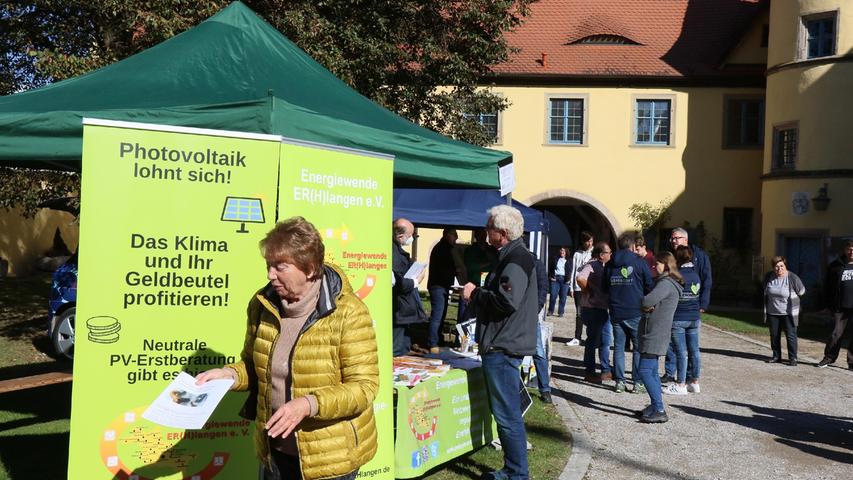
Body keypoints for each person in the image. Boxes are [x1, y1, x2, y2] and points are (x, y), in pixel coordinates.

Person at [196, 217, 378, 480]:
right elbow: (254, 365)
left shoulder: (349, 313)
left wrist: (308, 404)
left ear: (310, 268)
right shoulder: (263, 305)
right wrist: (229, 375)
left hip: (330, 459)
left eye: (280, 267)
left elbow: (364, 387)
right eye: (269, 266)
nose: (271, 275)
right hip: (275, 451)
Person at [462, 205, 538, 480]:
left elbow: (507, 301)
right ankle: (513, 470)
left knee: (507, 415)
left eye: (489, 228)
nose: (486, 232)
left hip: (503, 345)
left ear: (502, 233)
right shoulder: (513, 255)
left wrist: (476, 294)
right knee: (507, 413)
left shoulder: (515, 259)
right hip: (506, 341)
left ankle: (517, 474)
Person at [636, 251, 684, 423]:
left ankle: (659, 408)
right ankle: (655, 405)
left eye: (657, 264)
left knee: (644, 371)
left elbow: (645, 301)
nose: (654, 266)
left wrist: (647, 306)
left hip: (654, 333)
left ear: (666, 264)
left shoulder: (665, 284)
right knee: (652, 372)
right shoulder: (668, 283)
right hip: (658, 331)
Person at [604, 232, 654, 393]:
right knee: (638, 348)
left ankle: (619, 382)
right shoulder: (640, 263)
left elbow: (604, 286)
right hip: (636, 311)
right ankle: (637, 382)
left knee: (619, 347)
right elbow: (649, 285)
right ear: (633, 246)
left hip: (616, 310)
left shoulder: (611, 264)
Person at [662, 227, 712, 383]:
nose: (673, 241)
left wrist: (703, 303)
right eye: (672, 238)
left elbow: (707, 280)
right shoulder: (670, 255)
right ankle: (670, 372)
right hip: (674, 307)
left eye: (676, 238)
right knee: (671, 342)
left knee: (691, 346)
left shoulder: (700, 257)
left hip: (691, 307)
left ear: (686, 240)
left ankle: (690, 376)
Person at [663, 246, 703, 395]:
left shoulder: (677, 275)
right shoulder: (696, 275)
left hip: (679, 317)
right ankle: (694, 381)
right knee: (695, 351)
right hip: (694, 317)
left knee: (681, 352)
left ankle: (680, 384)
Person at [576, 241, 613, 383]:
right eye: (608, 252)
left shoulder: (606, 266)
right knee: (593, 341)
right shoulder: (592, 265)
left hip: (602, 309)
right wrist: (589, 290)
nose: (611, 254)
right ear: (601, 255)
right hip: (593, 309)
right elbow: (580, 278)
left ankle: (605, 370)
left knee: (605, 340)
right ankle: (590, 371)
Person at [391, 218, 427, 356]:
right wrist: (415, 281)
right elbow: (397, 282)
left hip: (403, 310)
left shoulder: (396, 250)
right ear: (400, 236)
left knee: (402, 347)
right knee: (397, 350)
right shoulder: (392, 253)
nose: (413, 238)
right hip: (399, 309)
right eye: (411, 235)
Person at [762, 255, 806, 367]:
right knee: (774, 335)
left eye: (781, 266)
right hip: (773, 312)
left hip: (788, 313)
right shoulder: (769, 277)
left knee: (791, 335)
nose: (779, 269)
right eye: (776, 267)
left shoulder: (792, 277)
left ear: (785, 266)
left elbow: (802, 291)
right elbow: (765, 291)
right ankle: (776, 356)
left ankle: (793, 358)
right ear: (773, 268)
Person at [817, 240, 853, 369]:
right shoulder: (835, 266)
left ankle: (852, 362)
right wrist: (827, 305)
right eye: (849, 248)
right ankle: (829, 358)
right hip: (840, 307)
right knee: (836, 334)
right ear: (845, 250)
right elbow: (827, 287)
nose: (852, 251)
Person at [427, 228, 459, 353]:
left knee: (441, 314)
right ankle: (432, 342)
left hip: (442, 285)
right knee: (438, 315)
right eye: (454, 235)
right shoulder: (443, 249)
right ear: (447, 235)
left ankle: (437, 340)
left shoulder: (444, 248)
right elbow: (445, 269)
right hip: (438, 286)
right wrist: (457, 271)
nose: (456, 238)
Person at [460, 229, 498, 320]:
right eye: (480, 235)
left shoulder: (491, 249)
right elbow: (471, 266)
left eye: (484, 235)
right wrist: (488, 263)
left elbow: (497, 262)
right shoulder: (470, 250)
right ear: (476, 236)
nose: (483, 237)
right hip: (474, 284)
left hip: (489, 285)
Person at [532, 250, 553, 403]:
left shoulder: (535, 263)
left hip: (530, 315)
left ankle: (545, 389)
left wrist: (536, 308)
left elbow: (543, 287)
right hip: (514, 315)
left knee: (539, 352)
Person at [567, 231, 594, 346]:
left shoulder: (594, 253)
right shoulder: (577, 254)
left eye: (591, 241)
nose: (590, 243)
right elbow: (573, 270)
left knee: (590, 312)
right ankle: (577, 337)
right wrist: (571, 287)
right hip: (578, 288)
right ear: (583, 242)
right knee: (579, 313)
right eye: (588, 241)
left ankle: (592, 337)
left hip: (589, 287)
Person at [548, 247, 570, 317]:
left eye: (563, 250)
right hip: (556, 279)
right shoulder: (555, 258)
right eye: (561, 250)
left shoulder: (569, 260)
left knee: (563, 297)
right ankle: (550, 311)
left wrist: (569, 279)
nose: (562, 252)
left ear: (566, 252)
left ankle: (561, 312)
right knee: (553, 295)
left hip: (564, 280)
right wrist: (551, 276)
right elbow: (550, 268)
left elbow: (570, 270)